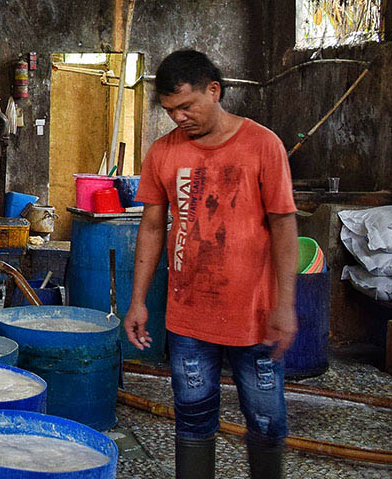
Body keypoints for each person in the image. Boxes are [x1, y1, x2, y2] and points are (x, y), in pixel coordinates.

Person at [123, 50, 297, 479]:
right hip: (188, 320)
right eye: (169, 111)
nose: (178, 118)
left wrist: (285, 305)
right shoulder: (162, 153)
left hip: (254, 316)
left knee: (265, 421)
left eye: (186, 106)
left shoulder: (262, 145)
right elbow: (150, 228)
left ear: (213, 91)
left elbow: (284, 227)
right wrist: (138, 301)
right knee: (193, 419)